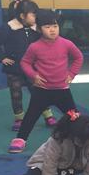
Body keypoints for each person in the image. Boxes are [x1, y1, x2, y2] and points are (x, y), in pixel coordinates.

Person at [9, 11, 83, 154]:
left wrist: (72, 73)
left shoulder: (66, 44)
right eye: (47, 27)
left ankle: (83, 137)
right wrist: (34, 76)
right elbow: (25, 62)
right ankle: (21, 139)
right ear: (39, 29)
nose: (52, 30)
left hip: (62, 89)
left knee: (74, 115)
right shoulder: (35, 47)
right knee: (30, 116)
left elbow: (78, 57)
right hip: (42, 90)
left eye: (55, 26)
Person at [0, 0, 55, 131]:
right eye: (33, 14)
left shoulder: (37, 28)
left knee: (39, 92)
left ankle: (48, 116)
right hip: (14, 69)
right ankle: (19, 119)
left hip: (33, 69)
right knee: (16, 94)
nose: (36, 17)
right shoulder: (9, 27)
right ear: (22, 16)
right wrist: (2, 57)